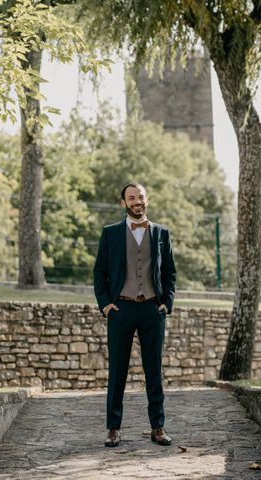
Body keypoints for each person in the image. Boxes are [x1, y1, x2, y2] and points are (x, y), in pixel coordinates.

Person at [93, 182, 177, 448]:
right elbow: (99, 273)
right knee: (117, 370)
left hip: (153, 309)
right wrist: (106, 305)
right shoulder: (111, 233)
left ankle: (158, 427)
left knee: (154, 371)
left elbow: (170, 273)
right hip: (121, 308)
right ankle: (113, 429)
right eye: (131, 198)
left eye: (140, 196)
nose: (137, 201)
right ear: (123, 203)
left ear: (147, 200)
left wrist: (167, 303)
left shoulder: (162, 233)